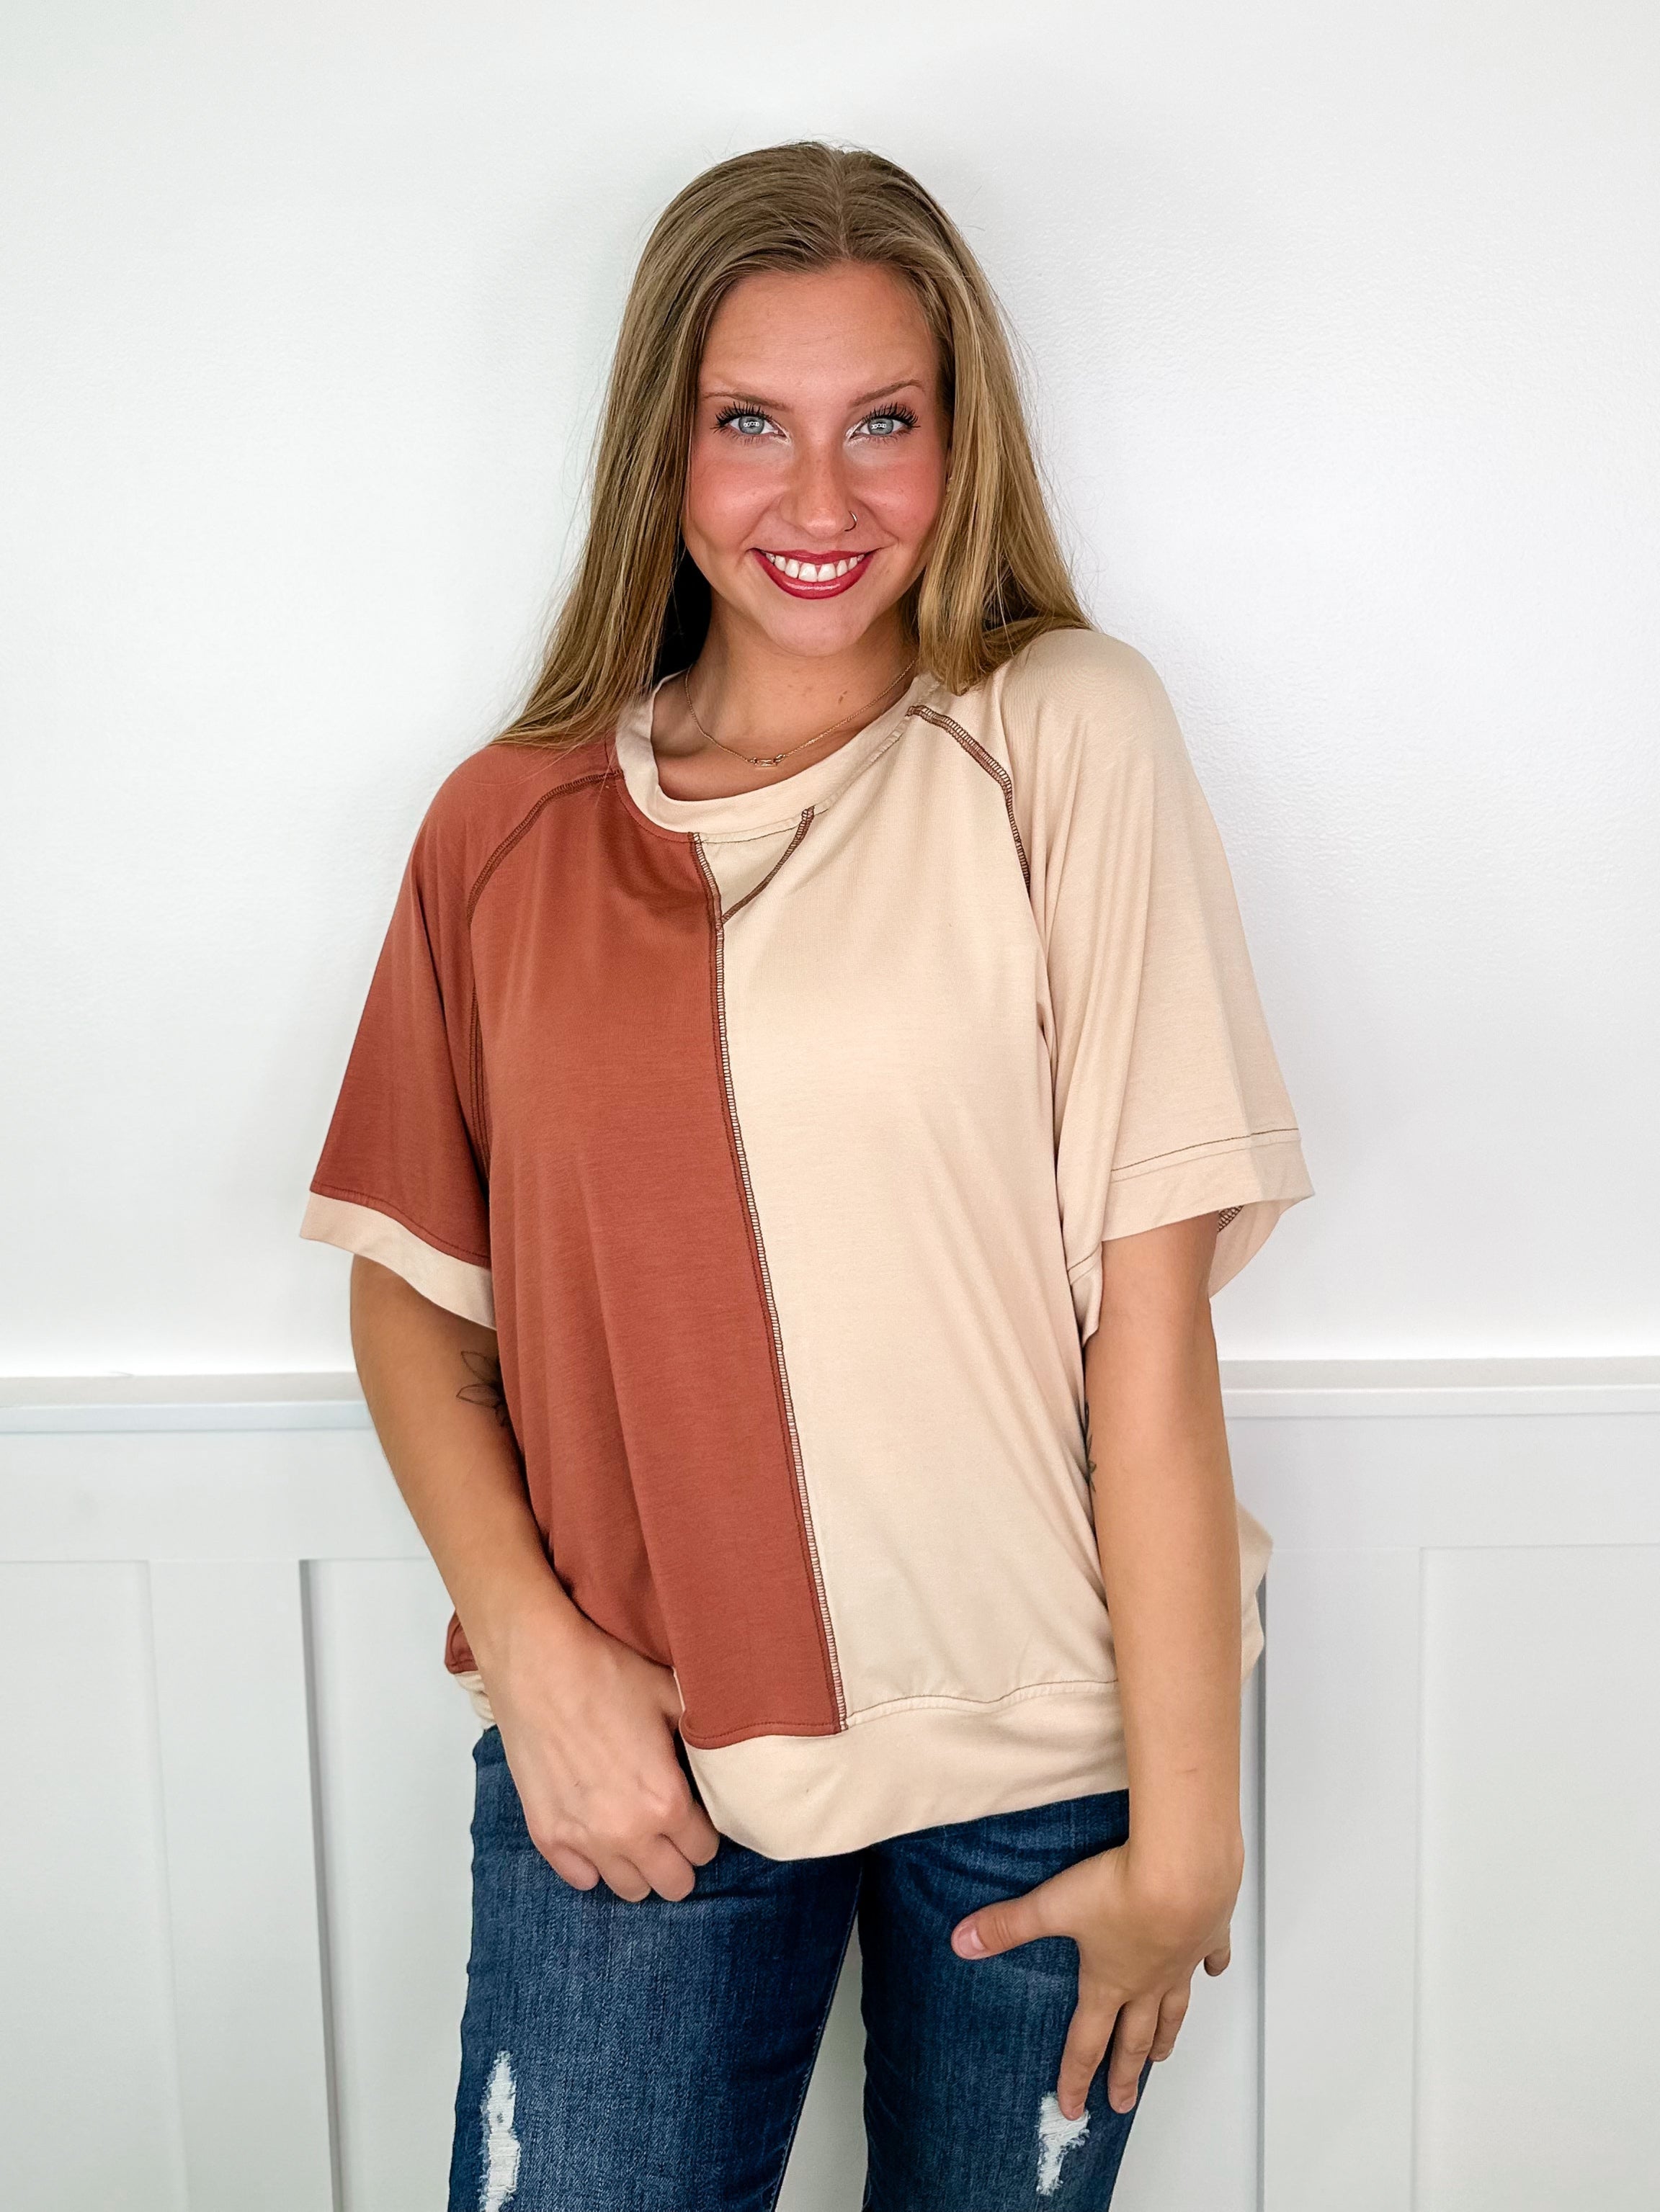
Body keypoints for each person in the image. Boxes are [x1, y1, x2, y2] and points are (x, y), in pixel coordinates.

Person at [302, 139, 1312, 2212]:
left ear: (962, 440)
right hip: (642, 1745)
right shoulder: (508, 824)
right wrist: (537, 1658)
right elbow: (414, 1297)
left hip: (1051, 1761)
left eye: (886, 423)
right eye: (751, 422)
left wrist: (1191, 1841)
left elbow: (1148, 1324)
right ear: (662, 449)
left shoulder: (1062, 731)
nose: (822, 501)